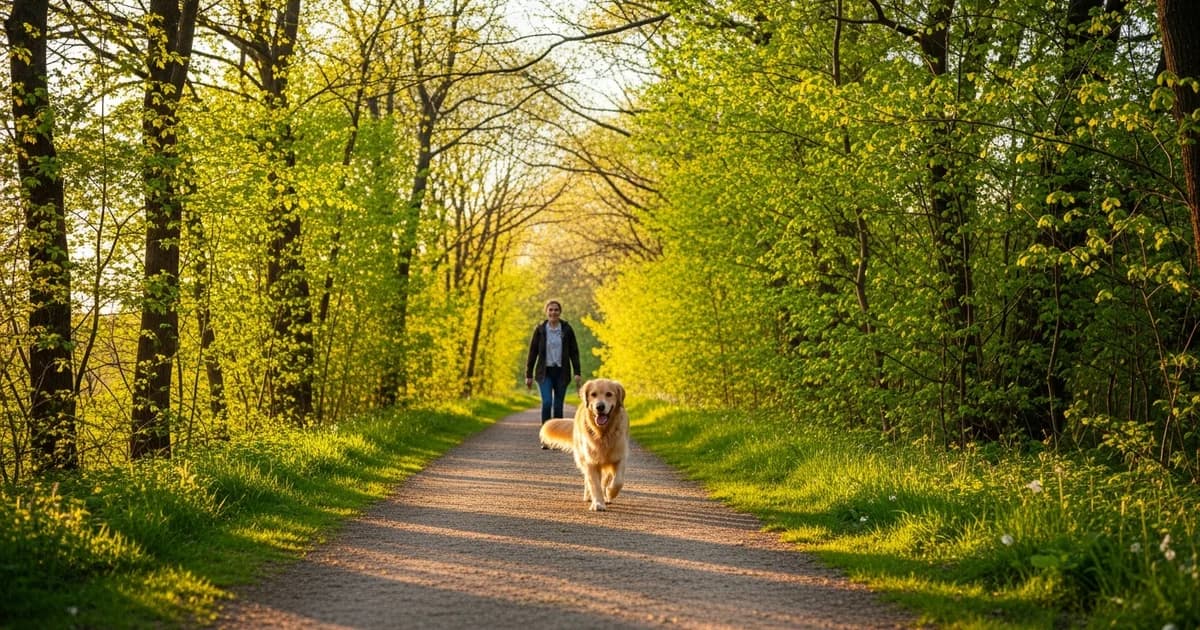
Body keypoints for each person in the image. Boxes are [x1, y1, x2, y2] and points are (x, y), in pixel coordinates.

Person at [525, 300, 582, 447]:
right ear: (546, 312)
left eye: (556, 310)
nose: (553, 312)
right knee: (547, 403)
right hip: (544, 373)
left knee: (558, 406)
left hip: (562, 373)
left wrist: (577, 372)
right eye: (550, 310)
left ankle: (558, 438)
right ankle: (546, 438)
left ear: (560, 312)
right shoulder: (540, 330)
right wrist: (529, 375)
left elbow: (574, 352)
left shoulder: (567, 330)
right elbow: (532, 352)